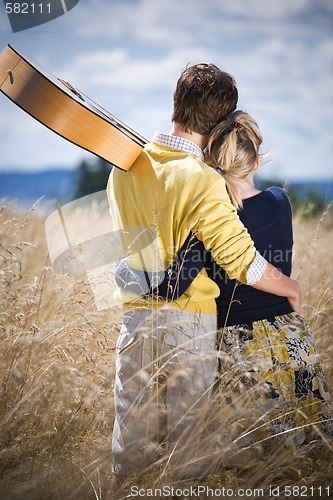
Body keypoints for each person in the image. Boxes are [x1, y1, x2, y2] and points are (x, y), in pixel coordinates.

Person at [107, 64, 301, 492]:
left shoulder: (124, 166)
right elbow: (240, 260)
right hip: (189, 327)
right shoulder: (203, 179)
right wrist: (290, 286)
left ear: (176, 103)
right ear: (218, 124)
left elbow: (127, 243)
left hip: (136, 320)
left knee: (128, 450)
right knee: (186, 458)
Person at [120, 110, 332, 455]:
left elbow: (175, 282)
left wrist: (124, 275)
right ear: (256, 163)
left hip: (238, 343)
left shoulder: (210, 213)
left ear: (208, 162)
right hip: (289, 334)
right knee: (309, 448)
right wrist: (291, 288)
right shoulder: (280, 200)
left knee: (254, 457)